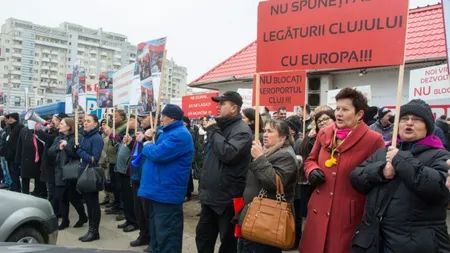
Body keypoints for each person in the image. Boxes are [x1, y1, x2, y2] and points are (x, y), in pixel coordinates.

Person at [350, 99, 450, 252]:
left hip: (415, 244)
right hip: (374, 241)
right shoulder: (384, 152)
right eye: (404, 119)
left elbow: (438, 190)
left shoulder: (439, 155)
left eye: (416, 120)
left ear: (427, 126)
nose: (409, 123)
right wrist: (380, 171)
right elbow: (356, 177)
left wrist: (401, 160)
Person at [299, 88, 385, 253]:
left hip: (347, 215)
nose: (338, 113)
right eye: (337, 108)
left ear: (359, 114)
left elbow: (376, 177)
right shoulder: (324, 133)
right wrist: (312, 170)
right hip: (319, 209)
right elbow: (310, 160)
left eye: (345, 109)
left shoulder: (373, 140)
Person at [196, 91, 253, 253]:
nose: (218, 107)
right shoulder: (220, 126)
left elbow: (228, 153)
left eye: (222, 104)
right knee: (203, 238)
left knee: (228, 244)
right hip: (210, 197)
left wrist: (213, 130)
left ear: (234, 108)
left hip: (227, 199)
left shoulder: (241, 130)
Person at [138, 104, 194, 253]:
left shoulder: (180, 134)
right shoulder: (168, 132)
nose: (160, 119)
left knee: (167, 237)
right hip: (158, 191)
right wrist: (149, 136)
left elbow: (158, 154)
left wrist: (147, 144)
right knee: (158, 235)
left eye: (163, 116)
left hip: (166, 193)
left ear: (172, 118)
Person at [240, 119, 299, 253]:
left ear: (283, 136)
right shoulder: (270, 151)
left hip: (268, 220)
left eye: (270, 131)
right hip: (257, 214)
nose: (265, 134)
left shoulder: (286, 155)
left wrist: (259, 158)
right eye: (264, 131)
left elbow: (274, 183)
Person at [294, 110, 336, 248]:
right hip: (311, 182)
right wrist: (312, 170)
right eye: (319, 121)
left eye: (326, 119)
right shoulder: (311, 138)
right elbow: (309, 159)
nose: (323, 122)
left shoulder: (340, 138)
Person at [48, 118, 87, 230]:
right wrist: (57, 147)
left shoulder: (77, 137)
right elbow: (49, 152)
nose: (59, 125)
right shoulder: (57, 138)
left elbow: (77, 154)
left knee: (73, 198)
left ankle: (83, 216)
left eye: (61, 124)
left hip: (71, 171)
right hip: (59, 171)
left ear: (69, 126)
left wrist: (67, 146)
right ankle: (65, 220)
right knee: (61, 197)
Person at [77, 114, 104, 242]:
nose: (85, 123)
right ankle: (90, 230)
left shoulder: (97, 138)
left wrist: (79, 151)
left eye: (88, 121)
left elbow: (94, 159)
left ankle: (95, 231)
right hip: (83, 170)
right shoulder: (84, 136)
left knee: (93, 204)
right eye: (85, 121)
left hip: (91, 173)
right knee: (88, 203)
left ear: (95, 124)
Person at [41, 112, 69, 218]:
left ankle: (56, 211)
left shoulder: (60, 134)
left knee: (54, 191)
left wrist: (39, 131)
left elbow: (50, 140)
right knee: (51, 190)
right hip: (49, 164)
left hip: (55, 166)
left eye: (56, 120)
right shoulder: (54, 132)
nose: (53, 122)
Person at [15, 120, 47, 196]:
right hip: (26, 159)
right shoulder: (23, 131)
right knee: (25, 178)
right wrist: (18, 159)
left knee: (38, 178)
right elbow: (19, 146)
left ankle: (38, 192)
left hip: (38, 159)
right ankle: (25, 193)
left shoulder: (41, 131)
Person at [5, 113, 24, 192]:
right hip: (9, 154)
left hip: (15, 154)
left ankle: (17, 188)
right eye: (9, 118)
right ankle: (13, 186)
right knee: (10, 172)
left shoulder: (20, 127)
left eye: (12, 118)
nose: (10, 119)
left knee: (15, 172)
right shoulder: (9, 127)